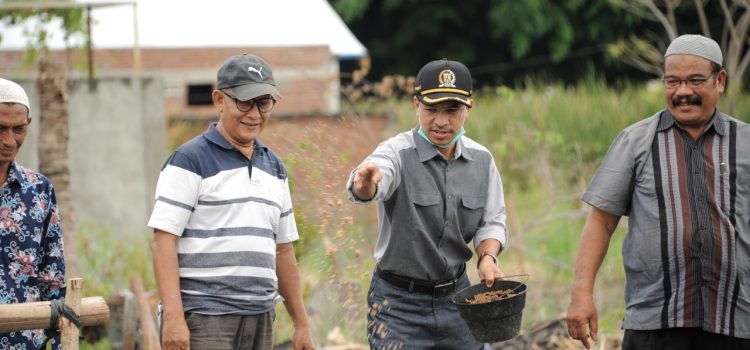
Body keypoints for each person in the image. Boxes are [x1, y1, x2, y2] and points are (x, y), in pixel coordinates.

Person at [566, 34, 750, 350]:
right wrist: (581, 294)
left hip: (735, 318)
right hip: (656, 321)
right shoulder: (635, 142)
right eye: (672, 82)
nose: (682, 92)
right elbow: (601, 222)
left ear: (720, 80)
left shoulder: (745, 142)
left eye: (694, 81)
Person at [148, 54, 315, 350]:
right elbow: (163, 241)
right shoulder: (189, 160)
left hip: (261, 318)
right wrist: (174, 318)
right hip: (204, 319)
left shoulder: (274, 168)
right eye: (245, 102)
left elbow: (284, 249)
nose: (254, 114)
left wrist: (301, 323)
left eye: (264, 103)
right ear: (219, 99)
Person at [347, 58, 507, 349]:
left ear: (468, 107)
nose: (441, 121)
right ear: (416, 105)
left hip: (458, 298)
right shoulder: (396, 153)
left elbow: (492, 221)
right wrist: (367, 183)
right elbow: (372, 180)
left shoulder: (482, 161)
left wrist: (487, 257)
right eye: (432, 109)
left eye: (452, 110)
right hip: (397, 305)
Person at [0, 78, 65, 349]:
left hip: (25, 340)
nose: (9, 140)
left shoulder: (39, 190)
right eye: (0, 128)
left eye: (18, 129)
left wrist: (61, 339)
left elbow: (52, 274)